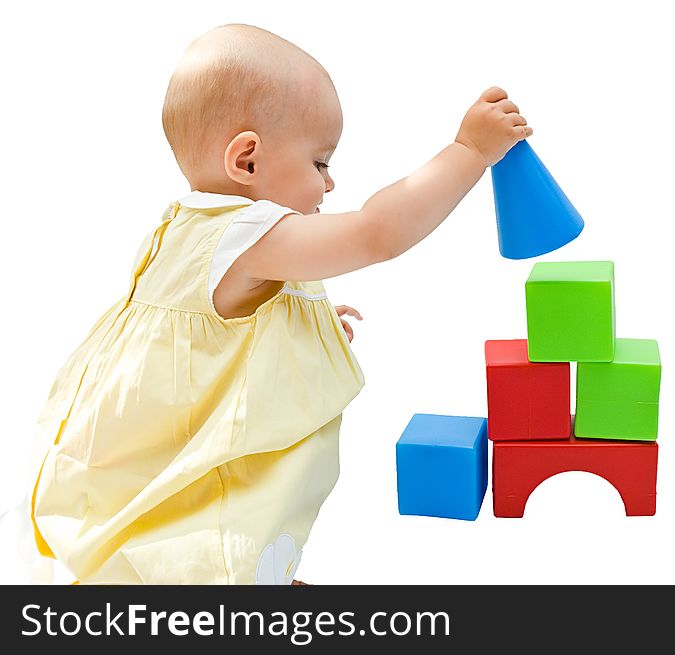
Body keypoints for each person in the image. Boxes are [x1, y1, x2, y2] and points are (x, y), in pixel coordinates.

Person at [26, 23, 532, 584]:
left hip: (152, 462)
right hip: (198, 499)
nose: (330, 183)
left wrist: (300, 326)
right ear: (247, 162)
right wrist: (469, 152)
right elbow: (376, 233)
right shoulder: (245, 232)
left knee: (205, 510)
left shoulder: (186, 228)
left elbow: (211, 350)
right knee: (212, 515)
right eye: (319, 162)